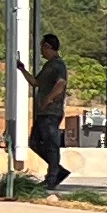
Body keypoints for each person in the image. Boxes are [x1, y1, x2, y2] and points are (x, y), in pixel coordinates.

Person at [26, 33, 72, 189]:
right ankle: (57, 169)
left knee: (51, 144)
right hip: (42, 112)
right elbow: (36, 82)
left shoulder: (58, 65)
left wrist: (49, 99)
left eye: (42, 47)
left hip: (51, 112)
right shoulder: (48, 66)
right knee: (34, 143)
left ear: (48, 47)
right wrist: (21, 69)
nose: (41, 51)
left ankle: (52, 176)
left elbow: (61, 83)